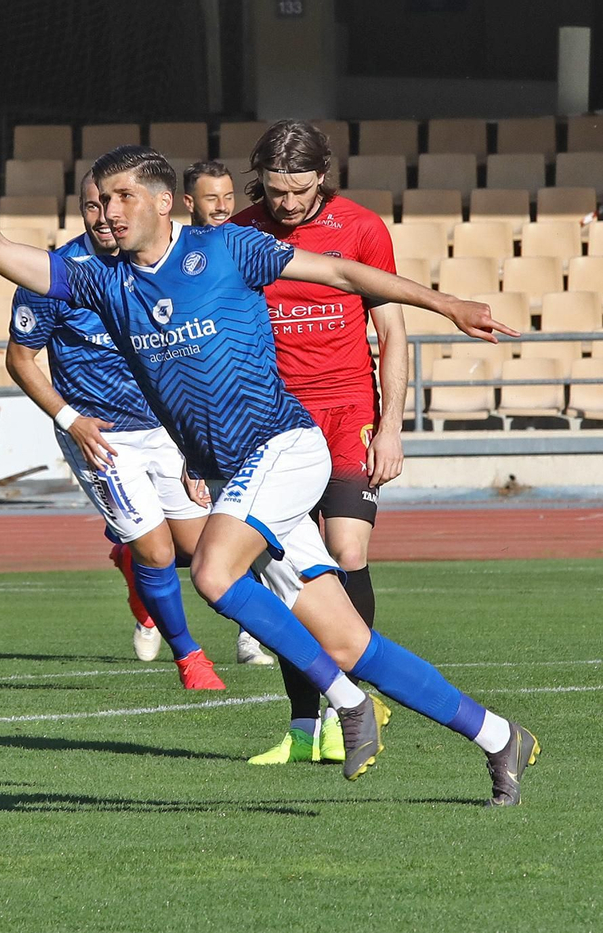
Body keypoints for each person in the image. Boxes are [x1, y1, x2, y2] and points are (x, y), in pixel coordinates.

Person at [0, 76, 538, 804]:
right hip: (241, 471)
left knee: (212, 573)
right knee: (349, 640)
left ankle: (345, 702)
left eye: (119, 197)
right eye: (98, 198)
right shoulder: (98, 282)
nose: (105, 212)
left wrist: (446, 303)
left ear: (162, 202)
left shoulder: (228, 250)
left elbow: (341, 271)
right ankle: (500, 737)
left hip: (286, 447)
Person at [232, 120, 409, 766]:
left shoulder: (361, 229)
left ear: (321, 176)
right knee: (284, 570)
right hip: (273, 419)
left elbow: (391, 331)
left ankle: (354, 703)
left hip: (345, 413)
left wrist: (390, 425)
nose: (287, 203)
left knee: (345, 547)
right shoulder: (241, 233)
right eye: (276, 191)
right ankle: (304, 723)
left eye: (299, 190)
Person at [6, 172, 224, 689]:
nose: (103, 216)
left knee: (203, 551)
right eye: (91, 206)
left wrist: (194, 442)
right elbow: (19, 360)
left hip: (165, 429)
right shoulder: (55, 275)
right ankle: (190, 657)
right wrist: (70, 420)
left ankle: (128, 553)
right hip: (99, 437)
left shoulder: (156, 268)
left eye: (112, 203)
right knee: (158, 552)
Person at [179, 159, 275, 667]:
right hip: (210, 432)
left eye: (228, 196)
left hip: (263, 417)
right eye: (210, 198)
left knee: (270, 535)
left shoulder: (244, 248)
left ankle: (264, 634)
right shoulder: (170, 260)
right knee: (237, 542)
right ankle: (254, 632)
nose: (222, 206)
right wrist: (186, 451)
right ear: (187, 202)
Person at [182, 160, 237, 229]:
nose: (222, 207)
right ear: (189, 202)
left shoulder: (248, 237)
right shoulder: (175, 239)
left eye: (228, 197)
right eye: (212, 199)